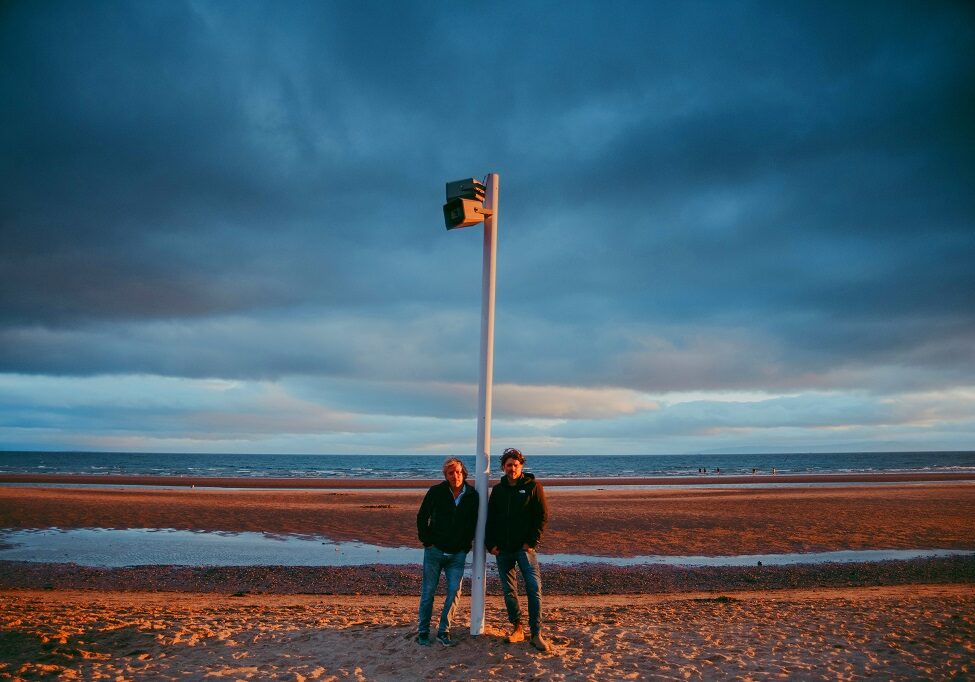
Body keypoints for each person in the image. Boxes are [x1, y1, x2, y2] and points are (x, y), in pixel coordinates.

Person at [485, 447, 551, 652]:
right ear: (503, 467)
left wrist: (531, 542)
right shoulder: (498, 490)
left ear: (521, 466)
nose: (512, 468)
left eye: (515, 465)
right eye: (508, 465)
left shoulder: (533, 487)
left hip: (525, 549)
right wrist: (491, 544)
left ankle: (536, 633)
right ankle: (517, 628)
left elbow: (542, 516)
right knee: (509, 591)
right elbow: (491, 519)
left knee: (534, 587)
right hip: (503, 550)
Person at [416, 457, 479, 647]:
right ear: (446, 475)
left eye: (458, 471)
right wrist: (427, 541)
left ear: (464, 472)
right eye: (451, 472)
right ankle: (423, 631)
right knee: (428, 592)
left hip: (457, 554)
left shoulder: (472, 495)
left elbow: (472, 523)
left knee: (454, 591)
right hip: (434, 551)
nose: (455, 475)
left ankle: (444, 630)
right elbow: (422, 516)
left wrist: (465, 545)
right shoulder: (436, 492)